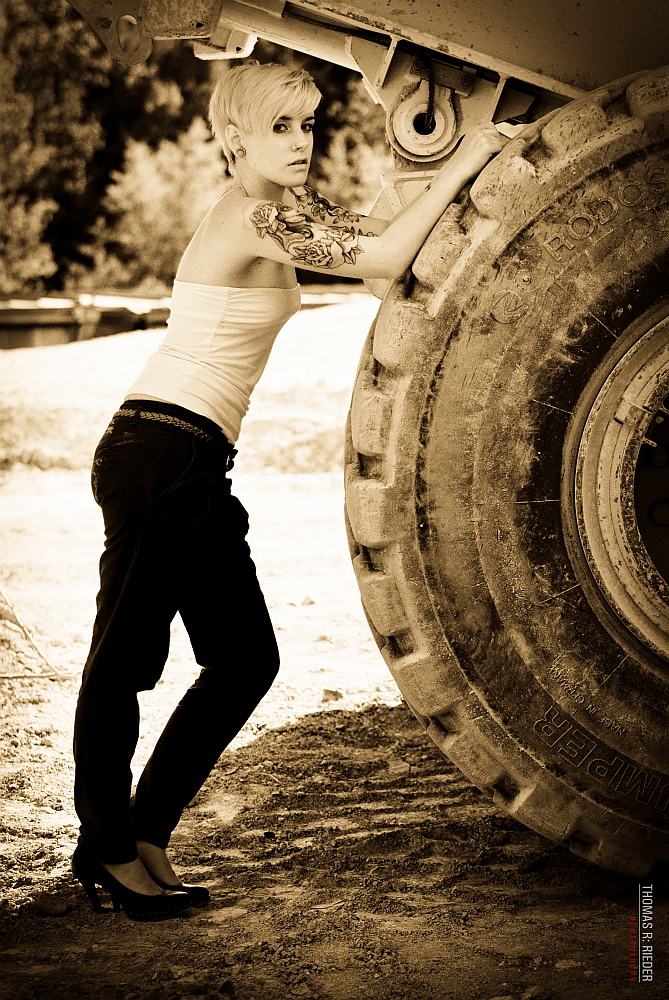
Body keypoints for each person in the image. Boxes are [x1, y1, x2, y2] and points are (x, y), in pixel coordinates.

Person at [71, 59, 505, 921]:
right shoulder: (251, 214)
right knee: (123, 663)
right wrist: (468, 160)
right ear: (234, 140)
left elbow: (382, 265)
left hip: (190, 460)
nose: (300, 142)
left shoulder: (283, 214)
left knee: (244, 661)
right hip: (157, 450)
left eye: (306, 125)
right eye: (280, 127)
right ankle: (107, 848)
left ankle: (143, 834)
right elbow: (381, 253)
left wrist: (431, 158)